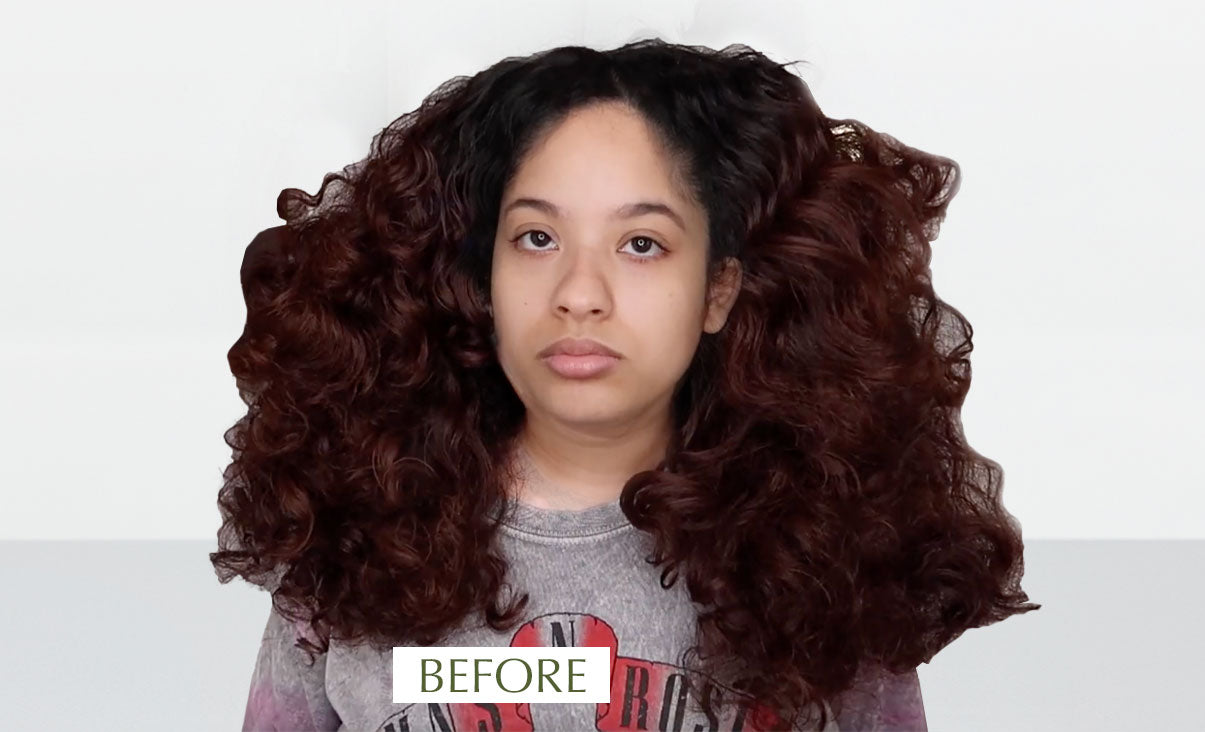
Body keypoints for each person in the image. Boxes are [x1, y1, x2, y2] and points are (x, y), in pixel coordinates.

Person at [211, 38, 1040, 731]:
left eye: (641, 244)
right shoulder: (352, 543)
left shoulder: (819, 560)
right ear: (481, 276)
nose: (580, 291)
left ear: (718, 290)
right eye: (537, 237)